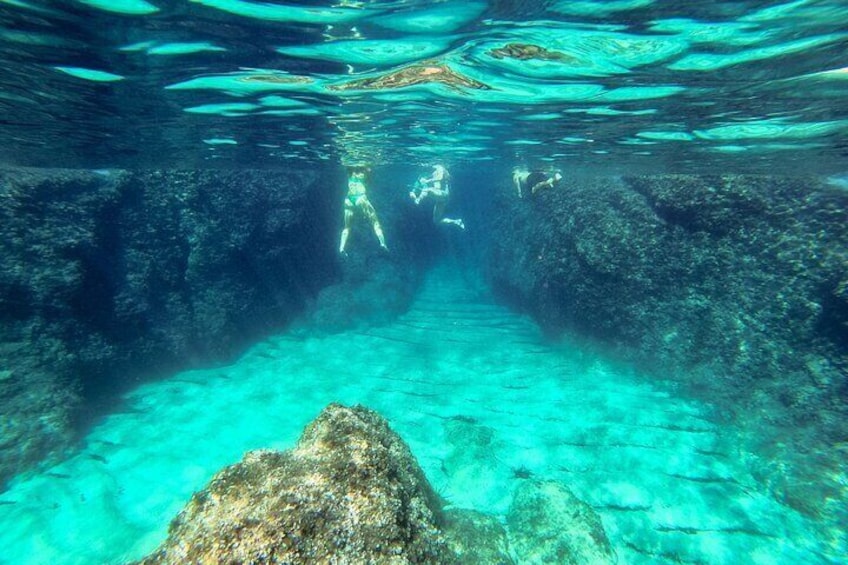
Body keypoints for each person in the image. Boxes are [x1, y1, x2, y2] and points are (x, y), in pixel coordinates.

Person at [339, 167, 388, 253]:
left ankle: (341, 248)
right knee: (375, 223)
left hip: (348, 199)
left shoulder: (350, 172)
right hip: (360, 198)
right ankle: (382, 243)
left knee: (347, 227)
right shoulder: (365, 172)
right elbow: (369, 171)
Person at [409, 164, 464, 229]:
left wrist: (427, 181)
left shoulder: (439, 168)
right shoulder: (422, 175)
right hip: (440, 200)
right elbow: (414, 189)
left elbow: (440, 177)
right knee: (436, 221)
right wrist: (412, 195)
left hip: (444, 194)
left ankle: (418, 200)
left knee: (427, 190)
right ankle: (456, 221)